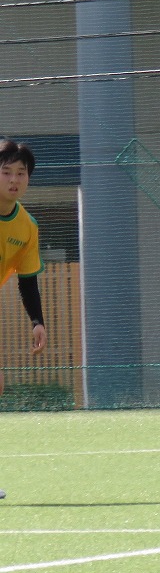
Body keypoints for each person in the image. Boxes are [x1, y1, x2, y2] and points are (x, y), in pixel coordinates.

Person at [0, 139, 49, 500]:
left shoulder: (27, 226)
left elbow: (27, 279)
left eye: (21, 173)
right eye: (6, 172)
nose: (14, 180)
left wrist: (37, 321)